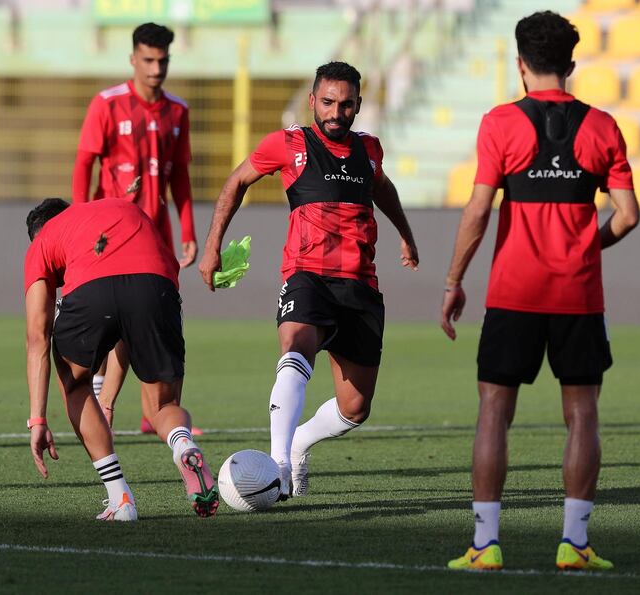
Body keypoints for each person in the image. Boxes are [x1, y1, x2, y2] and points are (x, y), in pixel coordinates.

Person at [441, 11, 640, 572]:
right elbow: (627, 216)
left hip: (513, 294)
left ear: (521, 65)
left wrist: (454, 281)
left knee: (493, 414)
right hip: (578, 296)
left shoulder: (500, 123)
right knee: (582, 415)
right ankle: (574, 544)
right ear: (570, 65)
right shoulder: (602, 126)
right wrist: (588, 247)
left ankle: (486, 545)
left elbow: (479, 210)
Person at [198, 61, 419, 499]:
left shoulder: (369, 150)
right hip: (307, 275)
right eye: (328, 102)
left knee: (356, 408)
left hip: (360, 285)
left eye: (347, 104)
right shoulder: (289, 144)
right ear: (313, 100)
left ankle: (300, 441)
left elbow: (381, 187)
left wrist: (407, 235)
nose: (337, 112)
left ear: (357, 105)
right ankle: (279, 463)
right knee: (296, 346)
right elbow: (238, 179)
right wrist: (212, 245)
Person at [24, 198, 218, 520]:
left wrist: (38, 420)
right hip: (157, 283)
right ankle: (184, 446)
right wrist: (108, 402)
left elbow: (37, 337)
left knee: (73, 382)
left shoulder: (44, 239)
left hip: (93, 290)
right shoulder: (114, 209)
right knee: (161, 406)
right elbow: (126, 323)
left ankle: (120, 499)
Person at [72, 22, 198, 435]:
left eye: (162, 60)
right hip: (112, 231)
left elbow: (179, 177)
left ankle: (153, 410)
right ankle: (105, 398)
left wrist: (188, 231)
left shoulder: (177, 111)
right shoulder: (107, 104)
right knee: (127, 314)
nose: (156, 67)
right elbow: (84, 164)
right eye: (148, 59)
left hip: (156, 232)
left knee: (156, 316)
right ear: (133, 59)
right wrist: (80, 219)